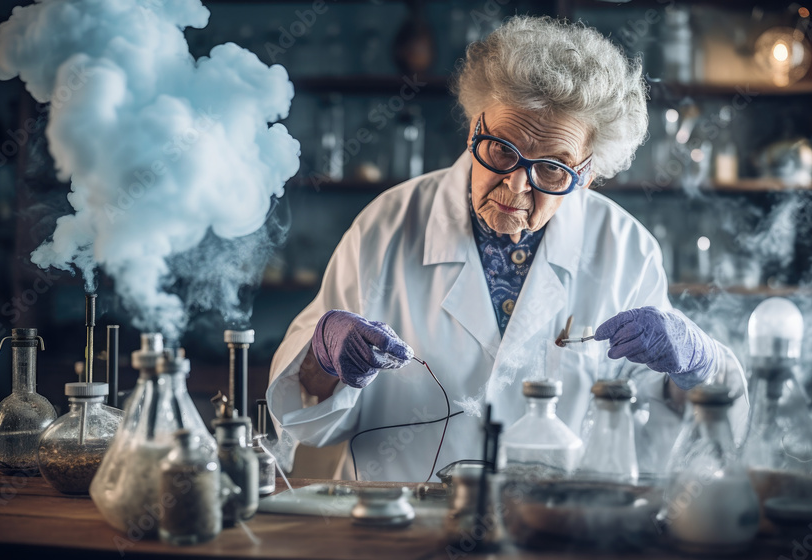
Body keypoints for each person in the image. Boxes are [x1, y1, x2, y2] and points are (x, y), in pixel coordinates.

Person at [268, 16, 748, 482]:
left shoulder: (625, 248)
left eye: (552, 169)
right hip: (403, 523)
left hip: (556, 525)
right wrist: (325, 354)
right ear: (475, 125)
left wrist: (698, 366)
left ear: (589, 175)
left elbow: (662, 422)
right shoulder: (387, 225)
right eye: (501, 148)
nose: (516, 185)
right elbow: (307, 408)